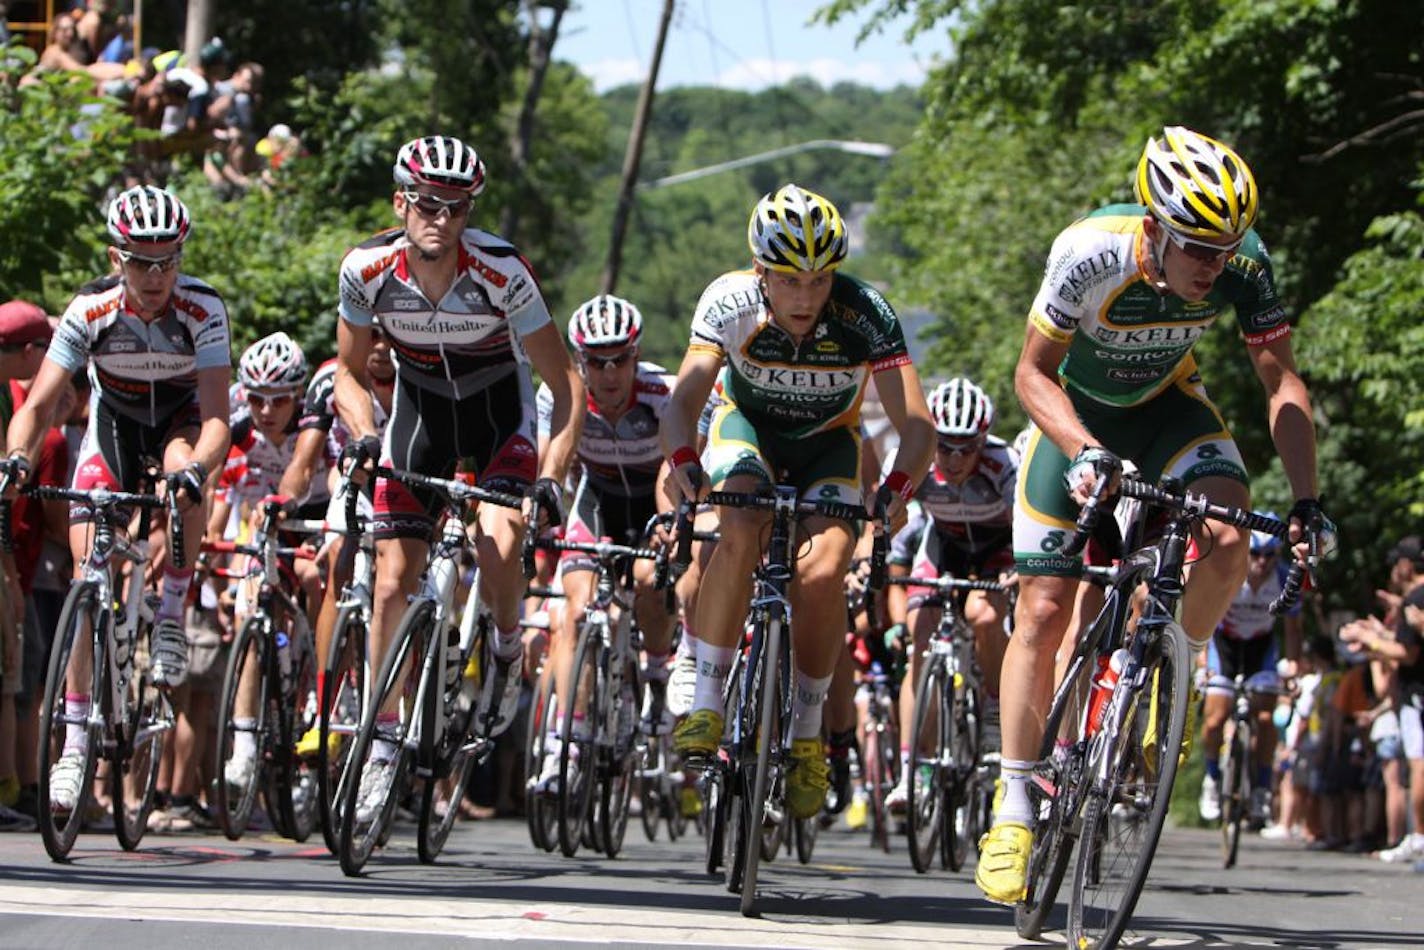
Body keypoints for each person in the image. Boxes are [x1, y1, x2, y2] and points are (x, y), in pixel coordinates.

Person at [977, 127, 1328, 905]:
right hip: (1076, 421)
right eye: (1199, 247)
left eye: (1226, 246)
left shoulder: (1243, 263)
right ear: (1156, 228)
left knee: (1230, 535)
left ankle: (1168, 673)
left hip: (1170, 410)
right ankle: (1013, 807)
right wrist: (1082, 448)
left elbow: (1283, 386)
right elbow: (1030, 374)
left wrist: (1306, 500)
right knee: (1042, 609)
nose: (1216, 264)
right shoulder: (1089, 252)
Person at [661, 183, 934, 820]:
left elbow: (915, 424)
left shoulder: (866, 313)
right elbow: (684, 399)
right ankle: (707, 702)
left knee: (823, 570)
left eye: (819, 280)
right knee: (740, 523)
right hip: (747, 430)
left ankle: (808, 735)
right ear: (760, 272)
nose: (807, 297)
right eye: (789, 281)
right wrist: (683, 464)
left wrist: (894, 492)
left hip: (828, 446)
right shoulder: (728, 302)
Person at [334, 135, 583, 820]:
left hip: (498, 410)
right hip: (418, 412)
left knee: (500, 538)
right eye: (426, 204)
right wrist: (361, 434)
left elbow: (566, 386)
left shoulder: (503, 271)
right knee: (390, 581)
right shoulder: (366, 268)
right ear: (400, 203)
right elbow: (351, 375)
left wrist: (551, 476)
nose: (439, 218)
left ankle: (505, 649)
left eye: (456, 207)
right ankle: (382, 745)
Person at [4, 185, 231, 813]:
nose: (155, 276)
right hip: (115, 424)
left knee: (187, 467)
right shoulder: (91, 308)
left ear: (181, 258)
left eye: (167, 261)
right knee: (86, 576)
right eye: (139, 260)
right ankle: (75, 742)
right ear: (115, 256)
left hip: (180, 422)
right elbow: (42, 400)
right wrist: (16, 459)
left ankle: (170, 611)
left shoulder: (203, 307)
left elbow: (217, 418)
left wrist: (197, 470)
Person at [533, 295, 675, 793]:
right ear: (579, 361)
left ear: (637, 355)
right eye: (597, 361)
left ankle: (657, 675)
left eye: (621, 358)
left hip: (651, 503)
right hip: (598, 500)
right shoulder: (559, 397)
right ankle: (566, 741)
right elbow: (550, 460)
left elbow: (675, 466)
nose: (610, 372)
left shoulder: (663, 392)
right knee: (573, 615)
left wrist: (668, 519)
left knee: (648, 582)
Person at [884, 377, 1017, 814]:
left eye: (967, 447)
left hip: (998, 549)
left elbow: (1028, 525)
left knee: (982, 615)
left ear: (983, 441)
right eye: (946, 446)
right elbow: (887, 523)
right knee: (920, 642)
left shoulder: (1004, 463)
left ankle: (995, 708)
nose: (955, 458)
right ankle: (912, 770)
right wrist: (875, 559)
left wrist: (1022, 572)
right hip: (945, 547)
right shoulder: (915, 458)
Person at [1198, 523, 1303, 826]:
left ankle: (1260, 787)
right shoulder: (1231, 573)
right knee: (1216, 718)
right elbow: (1204, 615)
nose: (1261, 562)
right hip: (1224, 645)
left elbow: (1293, 627)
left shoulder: (1285, 577)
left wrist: (1293, 664)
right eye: (1255, 554)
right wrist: (1203, 663)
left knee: (1267, 718)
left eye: (1269, 555)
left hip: (1261, 648)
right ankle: (1213, 777)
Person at [1341, 535, 1424, 862]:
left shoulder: (1413, 598)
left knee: (1417, 763)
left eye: (1395, 562)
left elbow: (1408, 653)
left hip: (1416, 694)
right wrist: (1379, 635)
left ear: (1406, 565)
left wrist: (1369, 641)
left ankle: (1418, 834)